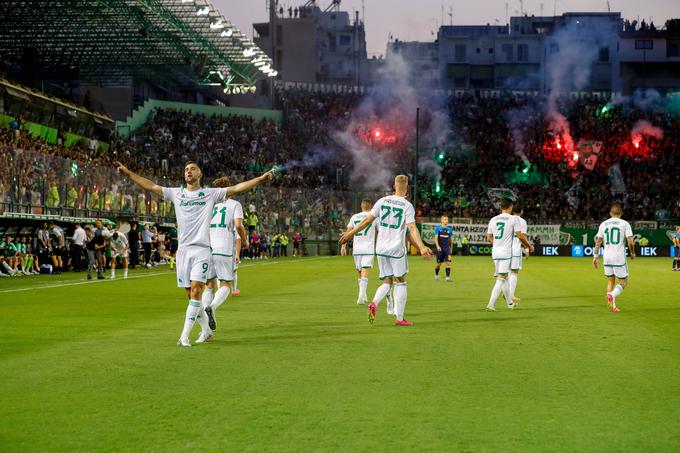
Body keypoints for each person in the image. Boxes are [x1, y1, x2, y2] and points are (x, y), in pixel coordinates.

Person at [116, 160, 273, 347]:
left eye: (192, 169)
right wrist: (128, 173)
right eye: (186, 169)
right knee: (191, 296)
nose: (188, 171)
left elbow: (237, 188)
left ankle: (184, 336)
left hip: (202, 250)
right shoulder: (176, 193)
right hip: (183, 251)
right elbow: (150, 185)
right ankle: (206, 331)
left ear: (200, 174)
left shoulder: (210, 194)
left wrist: (261, 179)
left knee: (198, 289)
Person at [340, 175, 433, 326]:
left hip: (381, 248)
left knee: (387, 281)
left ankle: (374, 303)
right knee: (401, 281)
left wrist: (350, 234)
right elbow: (411, 228)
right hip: (396, 249)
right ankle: (400, 318)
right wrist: (422, 247)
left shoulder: (382, 201)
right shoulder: (407, 206)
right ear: (407, 188)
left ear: (394, 186)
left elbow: (367, 221)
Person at [201, 176, 249, 335]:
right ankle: (212, 307)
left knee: (208, 285)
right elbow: (238, 225)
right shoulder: (235, 204)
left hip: (207, 247)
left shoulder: (209, 204)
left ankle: (206, 328)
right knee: (226, 284)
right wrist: (245, 239)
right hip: (223, 247)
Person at [485, 198, 533, 312]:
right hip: (506, 252)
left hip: (495, 251)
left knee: (504, 277)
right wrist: (529, 246)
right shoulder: (513, 219)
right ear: (510, 207)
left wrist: (497, 243)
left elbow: (488, 238)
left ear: (500, 207)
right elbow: (520, 236)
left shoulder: (493, 219)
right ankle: (490, 304)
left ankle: (510, 303)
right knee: (501, 278)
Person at [593, 203, 635, 312]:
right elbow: (630, 241)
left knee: (610, 280)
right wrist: (632, 252)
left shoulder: (603, 224)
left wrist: (595, 256)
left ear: (610, 213)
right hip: (618, 257)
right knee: (624, 281)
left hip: (606, 256)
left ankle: (612, 306)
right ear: (621, 213)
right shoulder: (625, 223)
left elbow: (598, 242)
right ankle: (612, 295)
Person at [341, 199, 377, 305]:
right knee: (365, 272)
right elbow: (381, 231)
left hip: (357, 249)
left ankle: (363, 295)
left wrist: (343, 246)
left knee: (359, 272)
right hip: (368, 248)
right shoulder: (373, 217)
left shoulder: (354, 217)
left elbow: (348, 233)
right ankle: (361, 296)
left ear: (361, 206)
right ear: (370, 206)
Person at [509, 204, 530, 302]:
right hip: (516, 248)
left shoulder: (507, 219)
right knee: (514, 272)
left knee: (506, 271)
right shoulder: (522, 221)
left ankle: (506, 292)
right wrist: (527, 248)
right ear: (521, 211)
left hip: (505, 248)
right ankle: (511, 295)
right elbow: (523, 236)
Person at [434, 215, 453, 282]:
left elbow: (451, 240)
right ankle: (436, 275)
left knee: (448, 263)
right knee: (438, 264)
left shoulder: (449, 229)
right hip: (440, 249)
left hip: (447, 249)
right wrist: (437, 246)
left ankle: (447, 278)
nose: (446, 221)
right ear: (441, 221)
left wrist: (451, 249)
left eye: (447, 220)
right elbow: (436, 238)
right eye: (445, 219)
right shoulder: (438, 228)